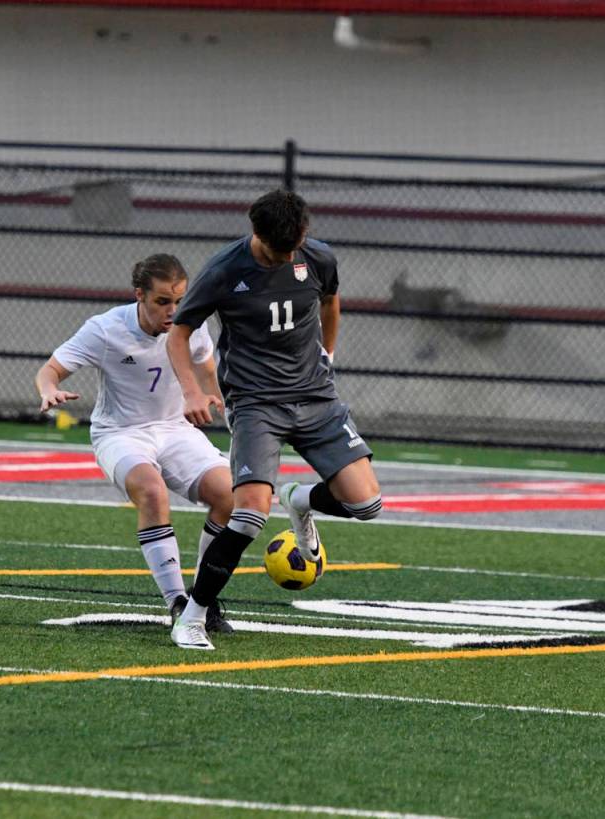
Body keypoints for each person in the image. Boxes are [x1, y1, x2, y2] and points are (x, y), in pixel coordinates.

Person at [166, 189, 382, 650]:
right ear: (255, 232)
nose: (283, 258)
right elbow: (179, 333)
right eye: (273, 251)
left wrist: (328, 352)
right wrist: (192, 390)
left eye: (291, 249)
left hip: (316, 397)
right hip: (256, 403)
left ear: (304, 234)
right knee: (247, 516)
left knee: (366, 505)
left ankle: (299, 499)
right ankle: (193, 615)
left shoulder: (319, 258)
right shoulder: (224, 271)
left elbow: (330, 301)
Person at [35, 253, 235, 635]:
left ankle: (202, 598)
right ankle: (178, 603)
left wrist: (215, 398)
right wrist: (49, 390)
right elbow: (50, 370)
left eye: (179, 301)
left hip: (175, 430)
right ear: (139, 295)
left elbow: (208, 370)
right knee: (152, 491)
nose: (173, 311)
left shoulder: (193, 324)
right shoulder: (106, 329)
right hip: (121, 433)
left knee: (230, 496)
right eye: (163, 302)